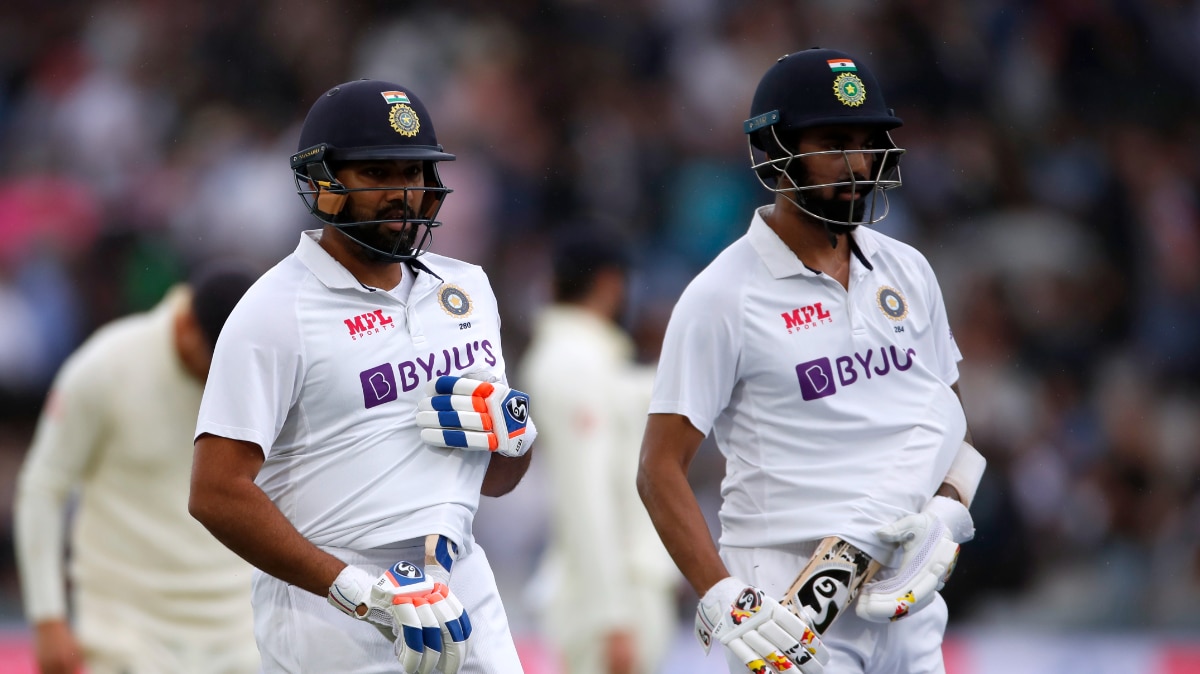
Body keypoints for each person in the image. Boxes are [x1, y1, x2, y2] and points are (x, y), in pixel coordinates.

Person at [636, 48, 987, 674]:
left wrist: (947, 509)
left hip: (904, 589)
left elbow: (947, 417)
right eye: (833, 143)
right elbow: (659, 469)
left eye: (867, 142)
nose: (858, 164)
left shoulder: (908, 269)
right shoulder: (722, 295)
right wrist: (723, 597)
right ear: (774, 151)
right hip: (789, 594)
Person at [188, 79, 536, 674]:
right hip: (331, 611)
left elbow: (496, 479)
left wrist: (518, 438)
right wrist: (360, 593)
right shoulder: (274, 309)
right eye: (377, 174)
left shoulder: (467, 289)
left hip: (462, 583)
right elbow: (215, 492)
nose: (403, 192)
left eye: (415, 172)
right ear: (324, 185)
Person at [14, 263, 259, 674]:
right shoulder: (105, 365)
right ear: (185, 327)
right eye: (215, 362)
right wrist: (47, 617)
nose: (223, 379)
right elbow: (43, 488)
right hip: (126, 639)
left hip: (241, 636)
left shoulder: (261, 374)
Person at [518, 230, 679, 674]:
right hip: (609, 598)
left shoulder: (590, 359)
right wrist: (613, 619)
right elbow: (585, 497)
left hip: (616, 588)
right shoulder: (572, 362)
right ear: (612, 284)